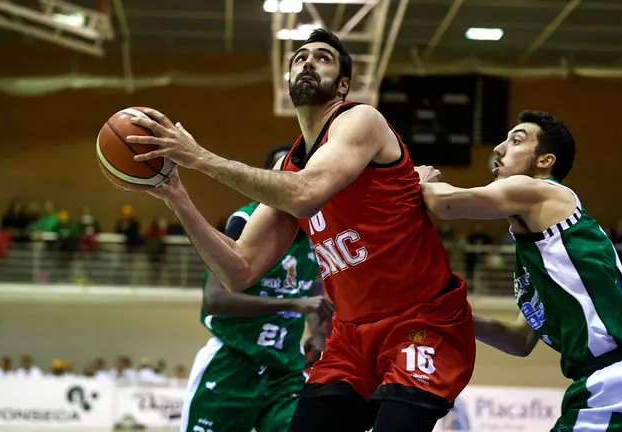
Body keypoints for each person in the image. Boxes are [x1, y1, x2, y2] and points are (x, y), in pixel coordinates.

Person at [127, 28, 475, 432]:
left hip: (421, 321)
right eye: (299, 58)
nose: (307, 62)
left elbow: (307, 194)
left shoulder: (360, 119)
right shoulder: (287, 169)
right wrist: (177, 196)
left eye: (323, 57)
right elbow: (238, 270)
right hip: (352, 335)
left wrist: (199, 157)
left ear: (343, 85)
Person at [416, 111, 622, 431]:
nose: (498, 147)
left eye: (516, 140)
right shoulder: (545, 250)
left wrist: (418, 182)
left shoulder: (543, 191)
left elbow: (448, 204)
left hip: (617, 384)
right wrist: (452, 316)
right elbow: (520, 340)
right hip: (615, 382)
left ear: (544, 161)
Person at [178, 146, 333, 432]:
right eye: (281, 174)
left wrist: (319, 334)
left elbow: (311, 291)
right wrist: (293, 305)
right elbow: (214, 299)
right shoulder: (245, 221)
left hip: (284, 371)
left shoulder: (316, 231)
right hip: (233, 363)